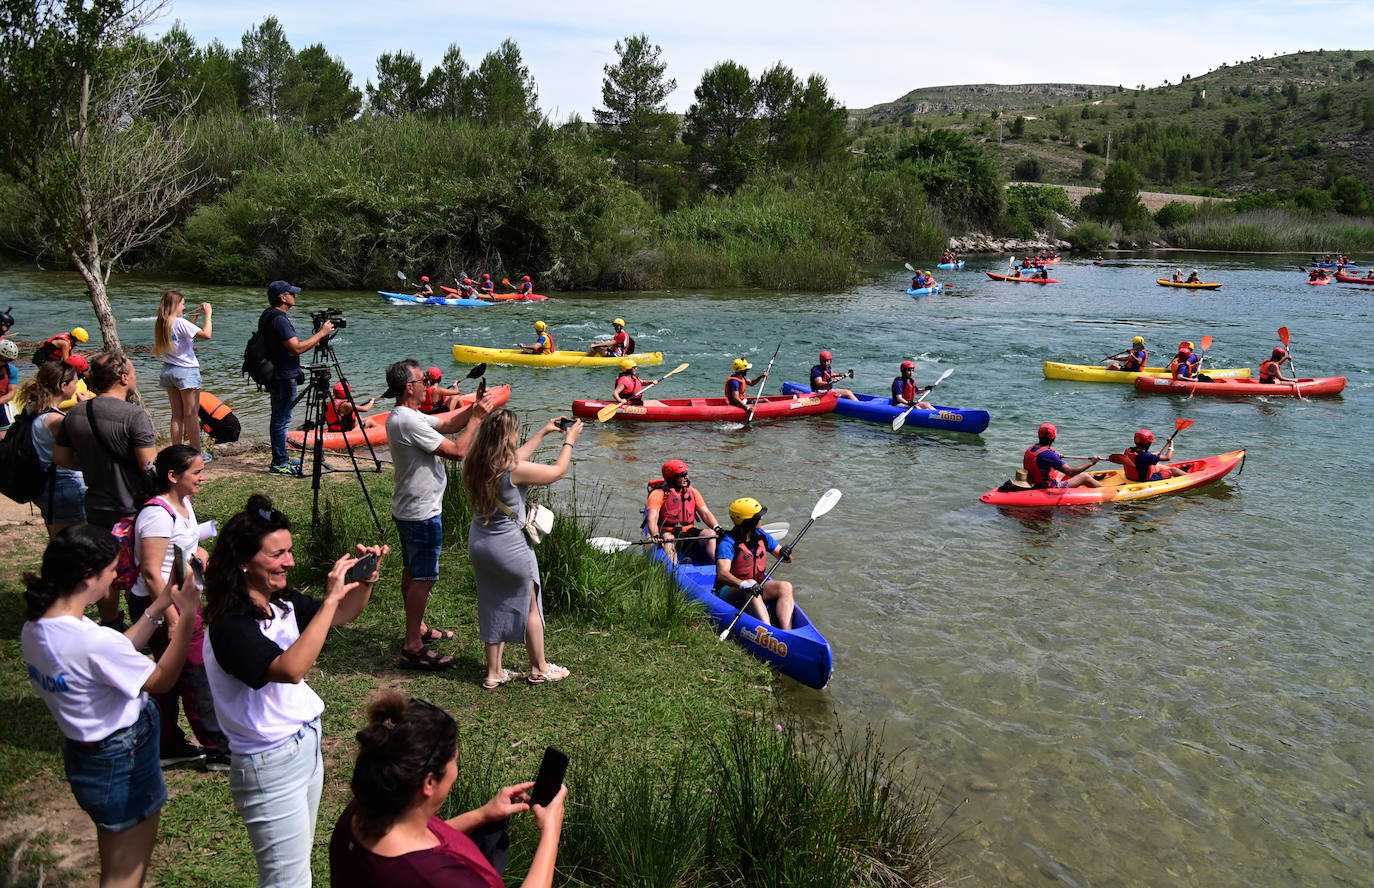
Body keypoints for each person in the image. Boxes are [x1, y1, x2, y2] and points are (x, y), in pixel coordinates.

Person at [202, 495, 385, 888]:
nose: (290, 562)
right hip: (267, 762)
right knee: (288, 881)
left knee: (299, 868)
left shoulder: (280, 600)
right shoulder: (229, 623)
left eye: (289, 551)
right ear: (242, 560)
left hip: (302, 744)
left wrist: (363, 582)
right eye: (277, 554)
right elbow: (290, 668)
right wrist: (332, 597)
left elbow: (340, 615)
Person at [22, 524, 200, 888]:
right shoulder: (92, 642)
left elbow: (115, 652)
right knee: (124, 877)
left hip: (88, 758)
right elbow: (161, 680)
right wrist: (188, 617)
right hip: (123, 760)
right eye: (111, 571)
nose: (116, 577)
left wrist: (161, 603)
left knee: (114, 861)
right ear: (88, 577)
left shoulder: (40, 626)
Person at [329, 693, 566, 888]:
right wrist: (551, 832)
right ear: (429, 783)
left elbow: (420, 844)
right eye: (454, 762)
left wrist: (483, 815)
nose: (456, 772)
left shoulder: (364, 810)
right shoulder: (435, 878)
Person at [384, 360, 495, 670]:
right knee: (424, 578)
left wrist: (474, 408)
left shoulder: (406, 417)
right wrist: (480, 418)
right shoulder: (408, 421)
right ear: (410, 387)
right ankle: (412, 646)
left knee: (412, 572)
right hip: (421, 512)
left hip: (410, 508)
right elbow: (458, 451)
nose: (428, 387)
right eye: (423, 382)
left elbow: (447, 426)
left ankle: (415, 629)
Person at [131, 445, 232, 771]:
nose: (203, 477)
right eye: (197, 472)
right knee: (195, 674)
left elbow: (185, 545)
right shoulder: (157, 515)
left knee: (167, 676)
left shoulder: (183, 503)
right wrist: (173, 618)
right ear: (173, 476)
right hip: (164, 608)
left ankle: (166, 745)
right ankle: (219, 749)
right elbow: (150, 571)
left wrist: (200, 555)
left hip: (182, 601)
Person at [463, 408, 580, 689]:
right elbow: (557, 472)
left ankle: (494, 672)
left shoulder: (476, 461)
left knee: (491, 601)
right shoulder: (512, 469)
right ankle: (540, 668)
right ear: (510, 436)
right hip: (509, 547)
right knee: (530, 605)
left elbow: (516, 459)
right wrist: (570, 440)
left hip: (480, 543)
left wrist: (542, 432)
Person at [259, 280, 335, 475]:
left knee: (280, 418)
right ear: (283, 298)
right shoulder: (279, 319)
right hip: (282, 377)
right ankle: (279, 463)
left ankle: (281, 457)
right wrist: (321, 333)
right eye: (292, 294)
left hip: (275, 374)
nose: (295, 296)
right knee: (281, 420)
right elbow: (296, 348)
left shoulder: (268, 315)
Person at [15, 360, 89, 537]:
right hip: (64, 486)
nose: (77, 384)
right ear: (63, 386)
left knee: (60, 544)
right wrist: (85, 409)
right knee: (75, 545)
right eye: (75, 380)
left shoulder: (34, 409)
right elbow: (82, 450)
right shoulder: (55, 421)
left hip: (44, 485)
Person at [715, 497, 795, 631]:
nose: (762, 518)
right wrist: (744, 585)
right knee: (752, 582)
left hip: (757, 587)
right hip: (729, 592)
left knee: (785, 586)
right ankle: (769, 633)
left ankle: (787, 632)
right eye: (758, 516)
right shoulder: (728, 543)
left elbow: (788, 559)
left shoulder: (762, 536)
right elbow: (722, 574)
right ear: (748, 521)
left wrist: (786, 553)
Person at [152, 289, 212, 459]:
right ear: (176, 305)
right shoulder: (179, 322)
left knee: (176, 415)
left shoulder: (162, 322)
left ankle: (176, 453)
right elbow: (206, 335)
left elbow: (186, 337)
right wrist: (208, 315)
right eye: (183, 304)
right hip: (185, 371)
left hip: (169, 370)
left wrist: (196, 318)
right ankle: (197, 453)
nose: (184, 307)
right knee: (191, 414)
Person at [645, 460, 723, 565]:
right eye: (681, 475)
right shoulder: (658, 494)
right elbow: (652, 518)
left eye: (686, 474)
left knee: (710, 534)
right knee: (668, 538)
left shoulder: (692, 492)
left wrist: (717, 528)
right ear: (671, 478)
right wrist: (655, 535)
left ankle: (718, 566)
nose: (686, 477)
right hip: (667, 532)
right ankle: (675, 567)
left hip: (688, 532)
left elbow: (705, 513)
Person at [1024, 423, 1103, 489]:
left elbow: (1044, 457)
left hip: (1035, 482)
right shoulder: (1049, 455)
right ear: (1054, 437)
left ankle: (1092, 480)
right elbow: (1070, 472)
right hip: (1048, 487)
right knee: (1084, 477)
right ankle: (1108, 489)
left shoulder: (1031, 449)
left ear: (1039, 435)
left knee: (1060, 471)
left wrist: (1055, 455)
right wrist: (1092, 463)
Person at [1120, 429, 1186, 482]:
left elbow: (1139, 457)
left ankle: (1175, 471)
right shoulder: (1146, 456)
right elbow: (1168, 458)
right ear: (1148, 443)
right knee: (1173, 470)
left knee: (1158, 465)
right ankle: (1191, 477)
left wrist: (1154, 454)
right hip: (1143, 479)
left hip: (1130, 477)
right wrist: (1171, 445)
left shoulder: (1128, 450)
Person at [0, 338, 18, 432]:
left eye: (7, 361)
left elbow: (12, 392)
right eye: (1, 359)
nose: (3, 363)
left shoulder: (12, 370)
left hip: (1, 403)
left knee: (4, 433)